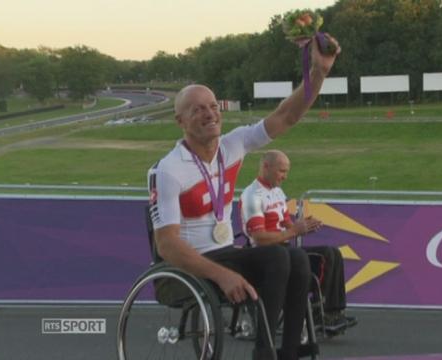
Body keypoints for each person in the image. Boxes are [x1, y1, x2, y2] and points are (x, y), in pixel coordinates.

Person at [147, 34, 340, 360]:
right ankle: (265, 353)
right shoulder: (167, 170)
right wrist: (222, 275)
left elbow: (286, 116)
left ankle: (290, 351)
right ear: (180, 120)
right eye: (197, 110)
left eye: (213, 106)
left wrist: (318, 73)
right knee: (277, 256)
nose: (209, 114)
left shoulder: (232, 145)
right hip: (188, 267)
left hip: (226, 252)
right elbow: (166, 246)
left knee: (296, 258)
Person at [239, 150, 357, 336]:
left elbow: (286, 224)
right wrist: (295, 230)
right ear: (266, 167)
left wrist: (304, 226)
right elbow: (259, 238)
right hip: (266, 255)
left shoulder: (278, 192)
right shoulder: (252, 195)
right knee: (325, 256)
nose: (285, 177)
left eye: (286, 172)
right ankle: (322, 312)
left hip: (284, 251)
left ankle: (333, 311)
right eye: (281, 171)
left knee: (334, 252)